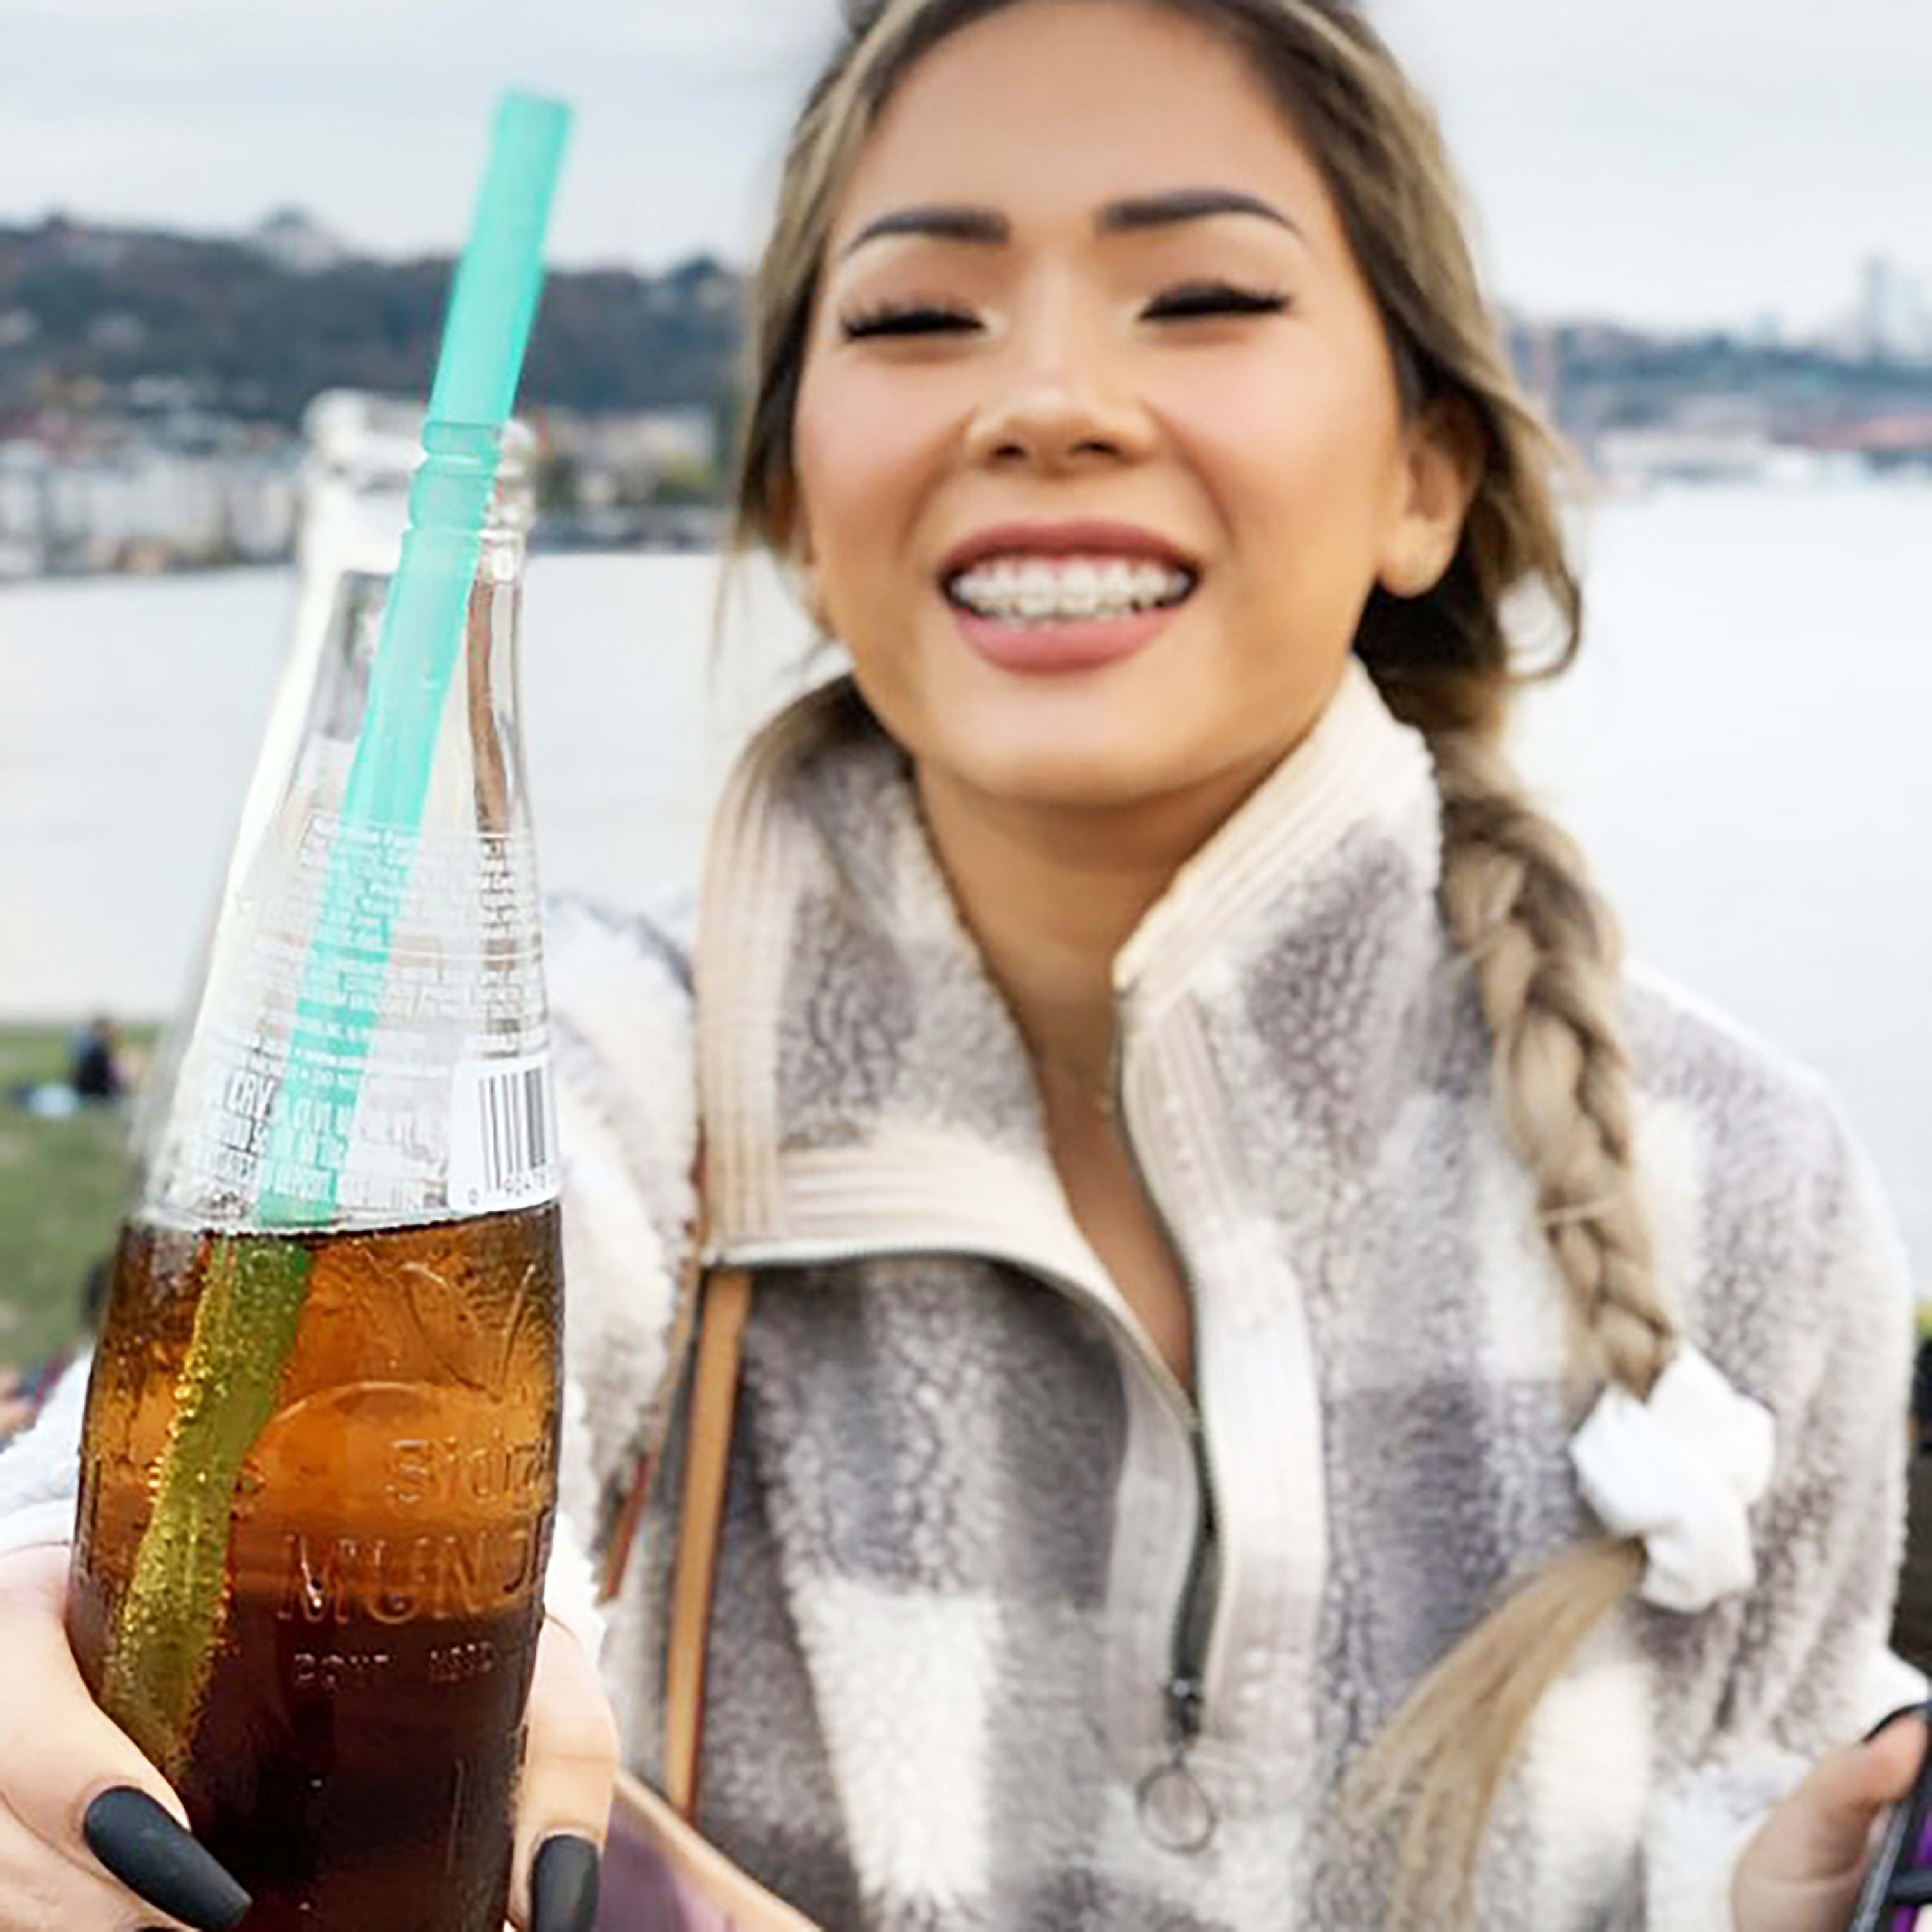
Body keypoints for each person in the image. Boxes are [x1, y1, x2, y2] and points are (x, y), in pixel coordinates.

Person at [0, 2, 1923, 1927]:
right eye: (922, 320)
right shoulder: (594, 1063)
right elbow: (151, 1476)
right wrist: (41, 1639)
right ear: (793, 506)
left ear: (1429, 472)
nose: (1048, 400)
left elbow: (1759, 1825)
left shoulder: (1744, 1187)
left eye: (1202, 298)